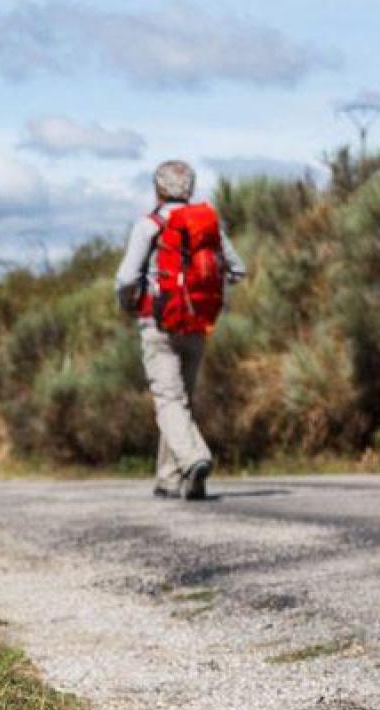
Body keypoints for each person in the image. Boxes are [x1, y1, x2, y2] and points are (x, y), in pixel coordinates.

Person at [114, 160, 246, 501]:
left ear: (158, 188)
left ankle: (193, 459)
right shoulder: (208, 225)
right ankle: (169, 479)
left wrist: (129, 303)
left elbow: (126, 278)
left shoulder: (149, 225)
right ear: (190, 188)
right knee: (180, 401)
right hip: (198, 322)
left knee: (168, 400)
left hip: (158, 323)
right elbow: (237, 269)